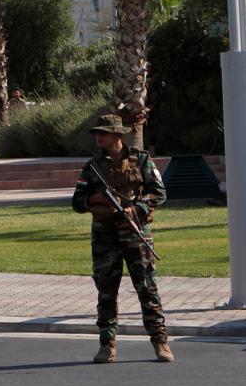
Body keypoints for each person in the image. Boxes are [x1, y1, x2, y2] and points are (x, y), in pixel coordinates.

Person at [71, 114, 172, 364]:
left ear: (117, 135)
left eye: (103, 133)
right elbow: (77, 201)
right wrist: (97, 200)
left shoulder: (141, 159)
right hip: (105, 236)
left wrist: (135, 209)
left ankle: (160, 342)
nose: (98, 137)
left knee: (147, 289)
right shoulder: (92, 167)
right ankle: (107, 346)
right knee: (107, 291)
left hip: (135, 234)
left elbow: (159, 193)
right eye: (97, 133)